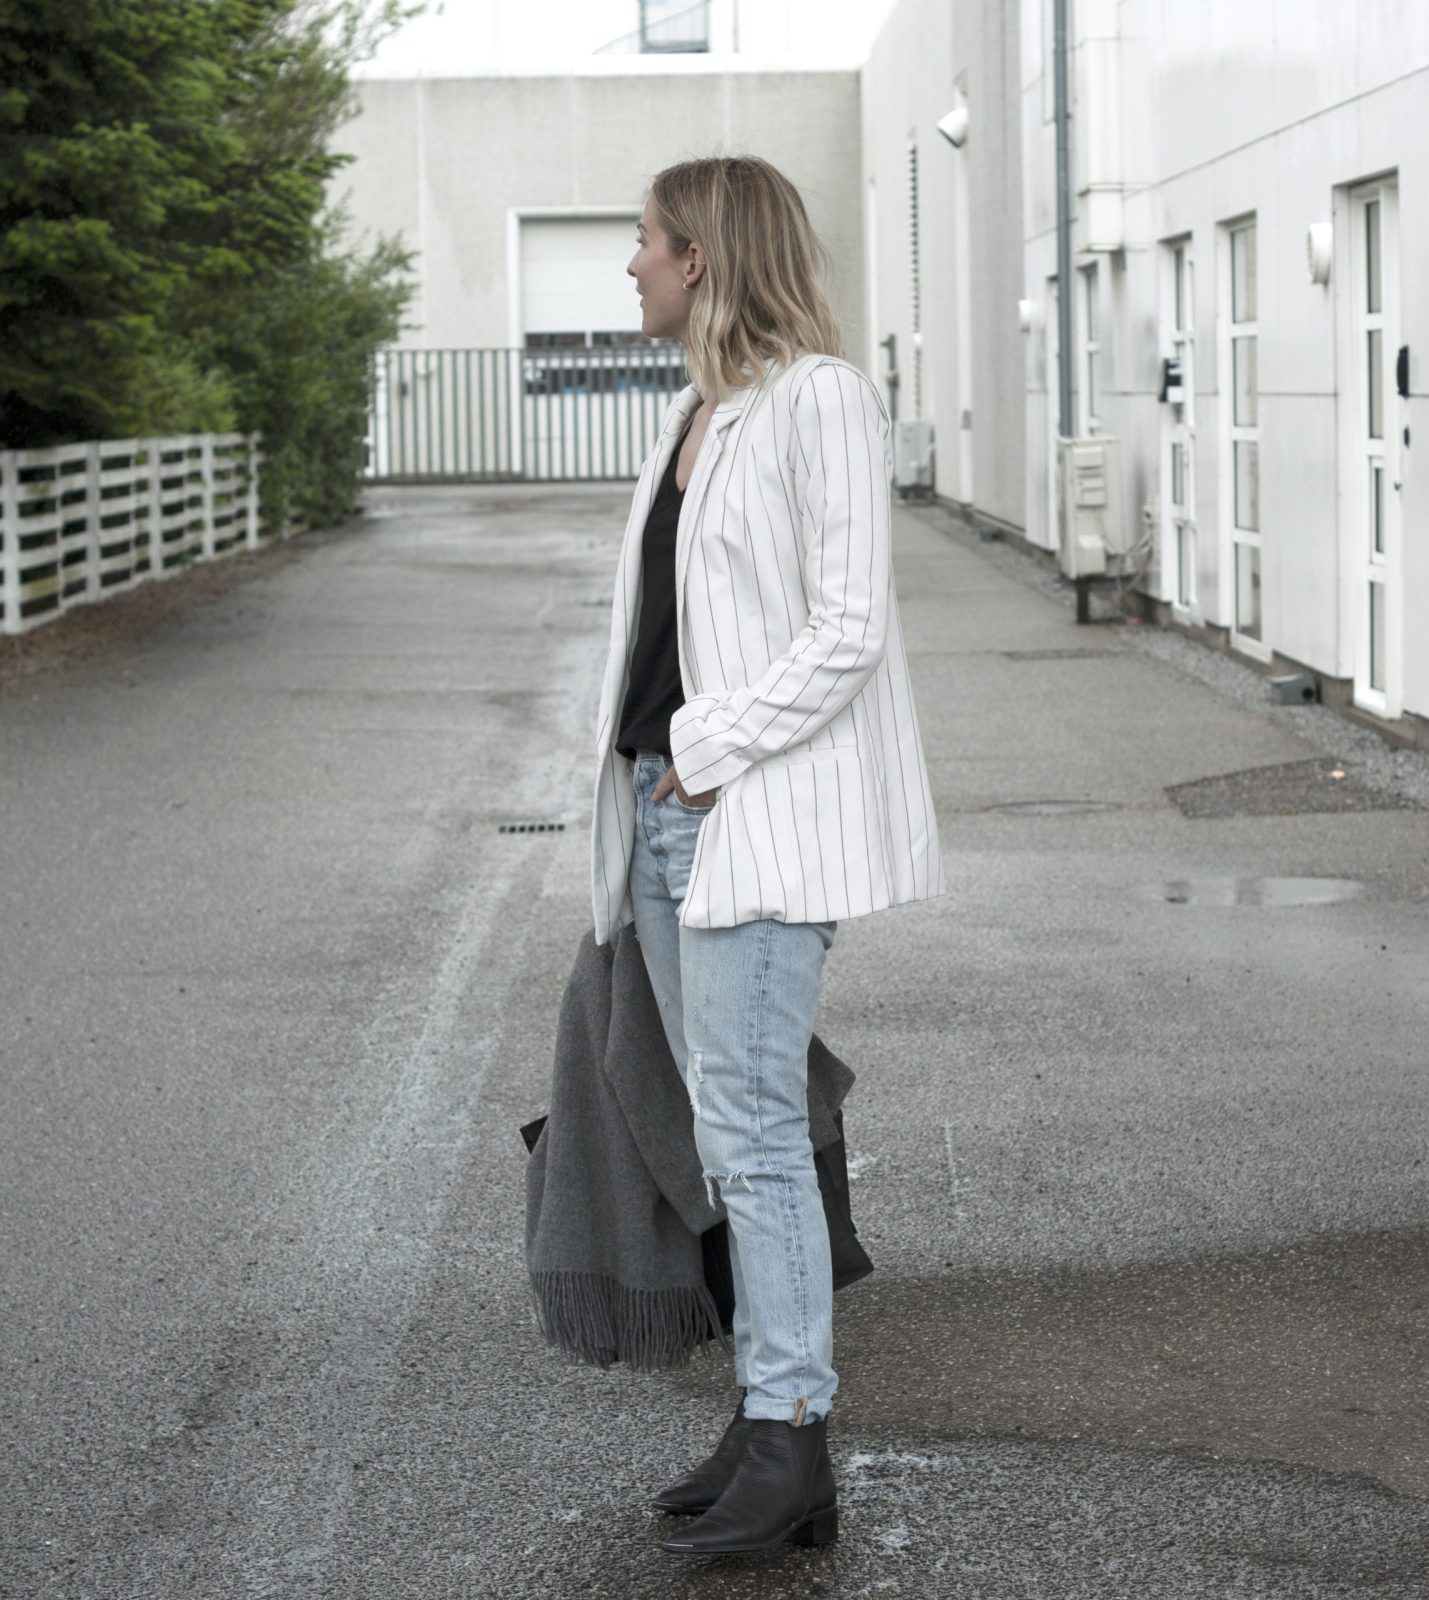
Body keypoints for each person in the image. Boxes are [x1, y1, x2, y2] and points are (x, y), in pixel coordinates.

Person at [588, 155, 945, 1556]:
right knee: (722, 1136)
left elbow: (846, 629)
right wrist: (645, 779)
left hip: (750, 815)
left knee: (750, 1133)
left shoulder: (819, 401)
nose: (629, 264)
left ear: (705, 256)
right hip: (666, 813)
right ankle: (763, 1412)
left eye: (644, 241)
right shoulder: (699, 414)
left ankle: (792, 1435)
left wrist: (711, 743)